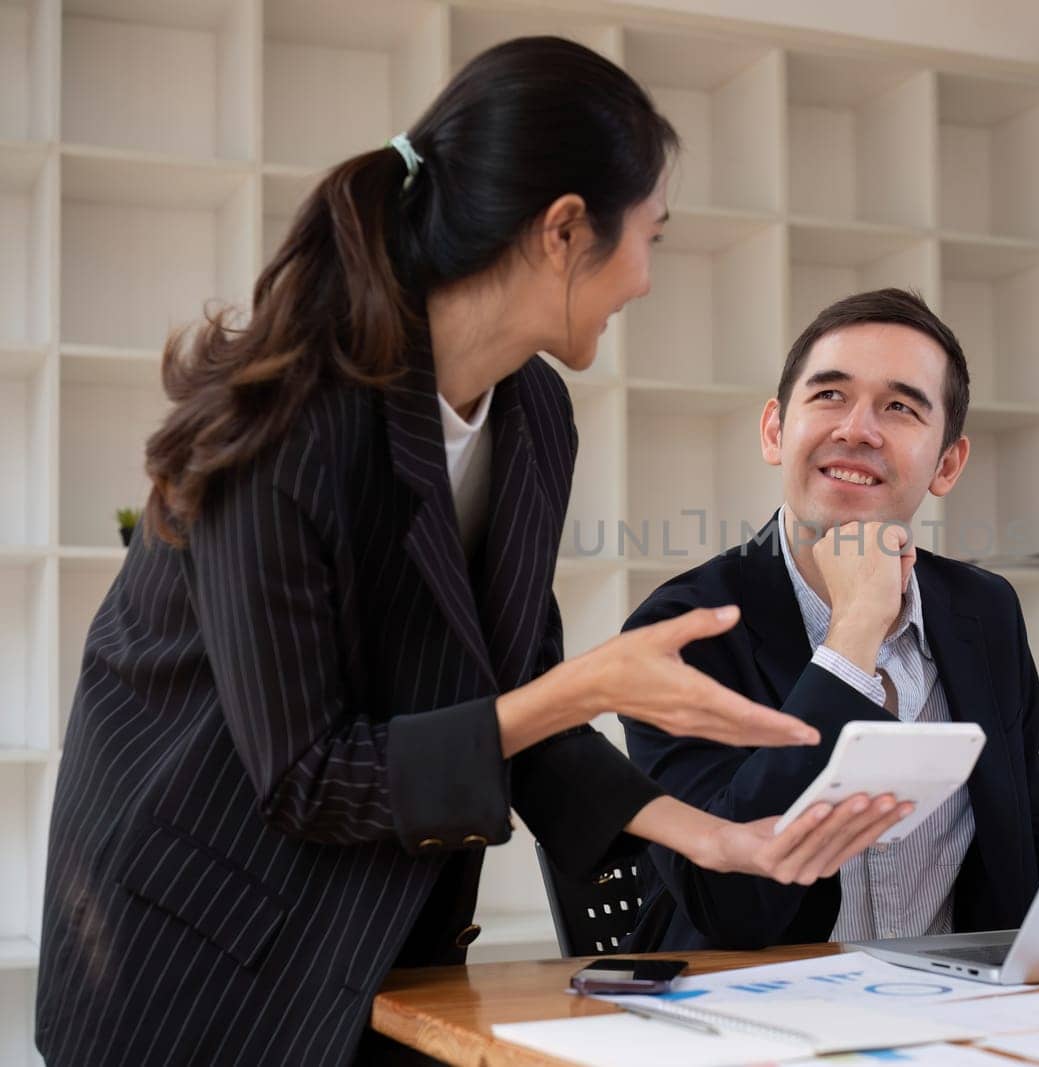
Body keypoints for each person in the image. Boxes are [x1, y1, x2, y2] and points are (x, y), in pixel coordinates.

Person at [35, 38, 906, 1066]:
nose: (644, 280)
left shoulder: (535, 416)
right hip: (194, 959)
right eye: (648, 238)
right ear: (564, 229)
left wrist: (713, 835)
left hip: (383, 944)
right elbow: (311, 775)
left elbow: (514, 697)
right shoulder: (288, 422)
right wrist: (583, 688)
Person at [622, 288, 1039, 952]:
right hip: (758, 1016)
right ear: (776, 430)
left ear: (947, 463)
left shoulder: (985, 611)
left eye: (899, 406)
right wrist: (852, 634)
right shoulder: (684, 627)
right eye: (830, 395)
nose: (857, 429)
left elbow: (1023, 835)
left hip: (956, 1016)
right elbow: (731, 901)